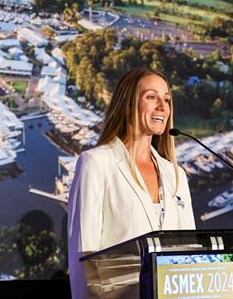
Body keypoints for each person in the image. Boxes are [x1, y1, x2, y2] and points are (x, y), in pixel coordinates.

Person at [67, 68, 196, 298]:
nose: (163, 107)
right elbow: (82, 261)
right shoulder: (95, 163)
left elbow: (190, 255)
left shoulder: (176, 175)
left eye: (166, 99)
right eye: (151, 97)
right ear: (127, 105)